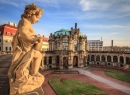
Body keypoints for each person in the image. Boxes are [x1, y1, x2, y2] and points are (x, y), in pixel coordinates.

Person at [8, 4, 44, 95]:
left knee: (38, 55)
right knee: (38, 55)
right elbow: (23, 34)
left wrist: (35, 38)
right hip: (24, 50)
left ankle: (34, 72)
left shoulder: (26, 22)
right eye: (37, 17)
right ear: (31, 14)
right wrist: (33, 39)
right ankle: (33, 73)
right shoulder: (24, 22)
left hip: (27, 48)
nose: (38, 20)